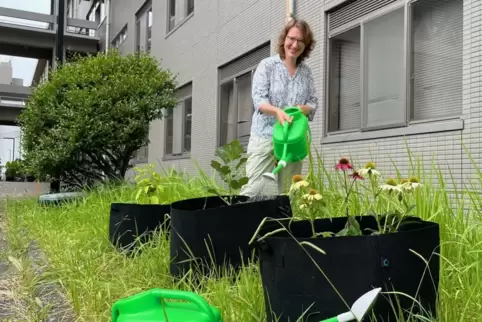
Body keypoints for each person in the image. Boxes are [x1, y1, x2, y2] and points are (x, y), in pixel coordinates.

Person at [240, 18, 318, 197]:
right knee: (254, 188)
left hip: (293, 139)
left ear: (306, 46)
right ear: (284, 39)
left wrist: (305, 109)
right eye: (292, 38)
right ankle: (245, 223)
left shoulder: (306, 72)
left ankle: (283, 224)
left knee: (290, 192)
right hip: (265, 135)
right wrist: (277, 111)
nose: (295, 44)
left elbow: (313, 102)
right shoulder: (267, 65)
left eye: (301, 41)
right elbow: (259, 100)